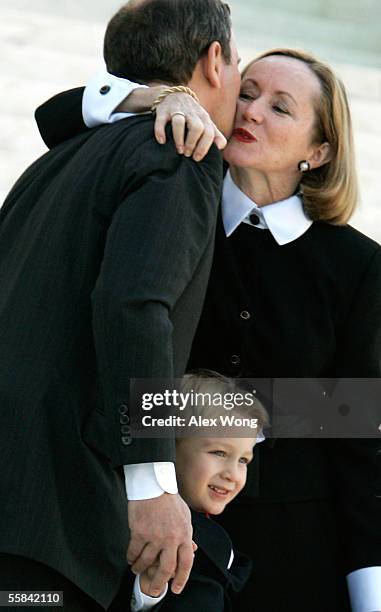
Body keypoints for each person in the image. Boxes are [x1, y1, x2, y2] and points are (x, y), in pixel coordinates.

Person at [36, 46, 381, 612]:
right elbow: (56, 118)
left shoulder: (359, 265)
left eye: (280, 107)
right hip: (151, 527)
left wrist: (369, 590)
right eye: (245, 93)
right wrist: (165, 98)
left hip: (295, 550)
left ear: (317, 151)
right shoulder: (169, 200)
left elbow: (359, 429)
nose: (251, 112)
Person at [0, 1, 242, 610]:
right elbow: (135, 305)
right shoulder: (182, 151)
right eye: (240, 66)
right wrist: (154, 484)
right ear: (214, 60)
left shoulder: (53, 161)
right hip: (53, 525)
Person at [130, 370, 268, 611]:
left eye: (243, 461)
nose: (232, 474)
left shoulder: (215, 537)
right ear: (169, 446)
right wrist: (148, 591)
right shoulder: (140, 523)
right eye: (219, 453)